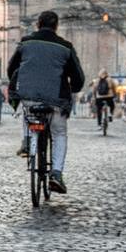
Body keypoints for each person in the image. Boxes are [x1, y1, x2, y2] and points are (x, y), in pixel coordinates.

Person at [8, 11, 86, 194]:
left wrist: (20, 85)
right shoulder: (65, 47)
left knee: (28, 112)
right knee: (59, 133)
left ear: (38, 24)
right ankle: (56, 173)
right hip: (56, 99)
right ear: (56, 26)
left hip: (29, 95)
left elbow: (11, 68)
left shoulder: (25, 43)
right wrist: (73, 88)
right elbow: (78, 77)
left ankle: (28, 141)